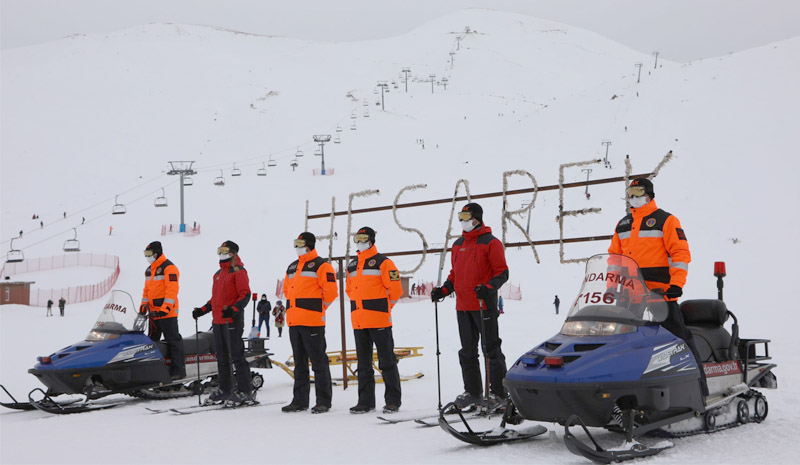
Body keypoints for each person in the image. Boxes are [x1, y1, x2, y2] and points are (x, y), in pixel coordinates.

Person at [609, 177, 708, 396]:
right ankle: (629, 391)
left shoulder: (666, 220)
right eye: (630, 193)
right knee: (625, 343)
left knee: (679, 339)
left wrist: (676, 284)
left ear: (649, 194)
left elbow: (680, 254)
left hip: (660, 295)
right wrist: (610, 287)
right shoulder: (623, 224)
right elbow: (614, 259)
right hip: (630, 297)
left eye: (638, 192)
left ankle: (700, 389)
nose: (634, 197)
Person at [431, 203, 509, 411]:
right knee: (467, 351)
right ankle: (473, 392)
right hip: (463, 306)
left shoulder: (491, 243)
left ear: (477, 218)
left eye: (466, 216)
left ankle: (498, 393)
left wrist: (489, 287)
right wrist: (444, 290)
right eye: (461, 216)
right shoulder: (457, 244)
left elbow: (502, 272)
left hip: (483, 304)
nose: (463, 220)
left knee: (490, 349)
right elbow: (454, 274)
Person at [346, 227, 404, 414]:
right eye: (357, 238)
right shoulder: (352, 265)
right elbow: (349, 290)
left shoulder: (384, 263)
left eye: (363, 238)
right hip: (359, 321)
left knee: (387, 362)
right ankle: (365, 402)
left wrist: (384, 308)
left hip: (379, 321)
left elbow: (396, 290)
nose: (360, 242)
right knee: (363, 364)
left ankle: (392, 401)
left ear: (372, 240)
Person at [192, 241, 255, 405]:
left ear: (233, 253)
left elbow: (245, 295)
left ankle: (245, 391)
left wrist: (234, 309)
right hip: (218, 320)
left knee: (236, 356)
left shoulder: (239, 271)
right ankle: (225, 390)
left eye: (225, 251)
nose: (221, 253)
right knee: (221, 357)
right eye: (219, 250)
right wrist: (203, 310)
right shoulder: (218, 274)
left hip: (232, 320)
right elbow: (215, 299)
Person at [281, 232, 338, 414]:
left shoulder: (322, 266)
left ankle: (323, 401)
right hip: (294, 322)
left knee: (318, 362)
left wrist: (317, 309)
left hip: (312, 322)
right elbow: (287, 292)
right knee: (300, 363)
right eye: (295, 242)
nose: (297, 246)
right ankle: (299, 400)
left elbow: (331, 293)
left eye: (300, 243)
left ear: (310, 245)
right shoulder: (292, 267)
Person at [140, 241, 185, 380]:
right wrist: (143, 306)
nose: (147, 257)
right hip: (153, 313)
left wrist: (165, 308)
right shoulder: (149, 270)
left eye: (149, 254)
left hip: (167, 313)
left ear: (156, 253)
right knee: (152, 342)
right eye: (145, 254)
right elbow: (147, 290)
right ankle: (153, 370)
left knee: (173, 341)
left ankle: (178, 371)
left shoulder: (169, 268)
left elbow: (171, 290)